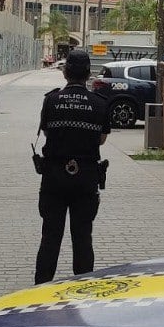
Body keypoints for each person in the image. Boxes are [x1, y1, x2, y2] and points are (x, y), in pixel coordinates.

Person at [34, 48, 110, 284]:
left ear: (65, 73)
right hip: (85, 179)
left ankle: (41, 289)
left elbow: (46, 132)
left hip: (54, 178)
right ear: (88, 74)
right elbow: (101, 139)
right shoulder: (99, 103)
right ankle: (83, 287)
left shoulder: (51, 100)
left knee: (50, 238)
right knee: (83, 237)